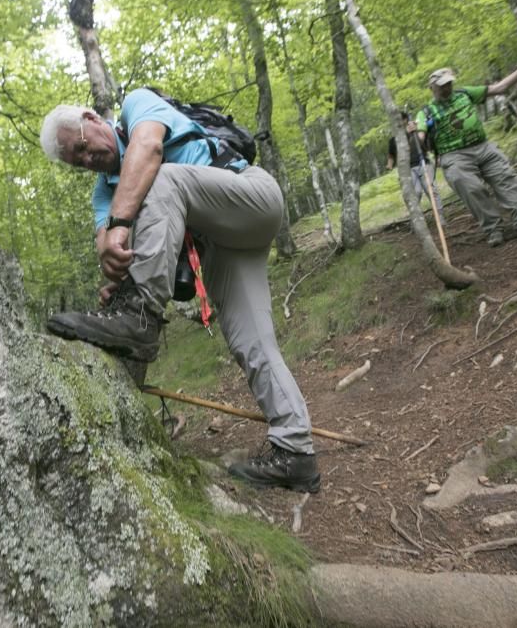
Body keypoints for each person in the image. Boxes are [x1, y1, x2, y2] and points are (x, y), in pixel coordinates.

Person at [39, 88, 320, 493]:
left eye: (81, 147)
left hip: (251, 196)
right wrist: (115, 272)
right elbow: (108, 244)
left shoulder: (137, 106)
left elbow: (149, 149)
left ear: (92, 118)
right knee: (251, 342)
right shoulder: (104, 192)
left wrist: (121, 226)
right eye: (76, 161)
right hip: (221, 242)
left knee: (163, 175)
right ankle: (296, 453)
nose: (86, 160)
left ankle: (141, 316)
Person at [415, 63, 517, 247]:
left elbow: (500, 88)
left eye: (448, 83)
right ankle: (493, 228)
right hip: (454, 155)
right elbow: (421, 135)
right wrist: (416, 134)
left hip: (483, 146)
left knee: (504, 175)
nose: (446, 88)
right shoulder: (426, 112)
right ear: (432, 88)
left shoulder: (465, 94)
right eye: (441, 85)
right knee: (469, 187)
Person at [387, 111, 445, 224]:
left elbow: (427, 143)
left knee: (431, 191)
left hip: (424, 163)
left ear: (405, 120)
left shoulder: (417, 131)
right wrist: (389, 164)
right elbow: (391, 155)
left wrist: (436, 157)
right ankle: (417, 222)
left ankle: (440, 217)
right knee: (415, 193)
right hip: (407, 169)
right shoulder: (393, 140)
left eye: (400, 119)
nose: (398, 123)